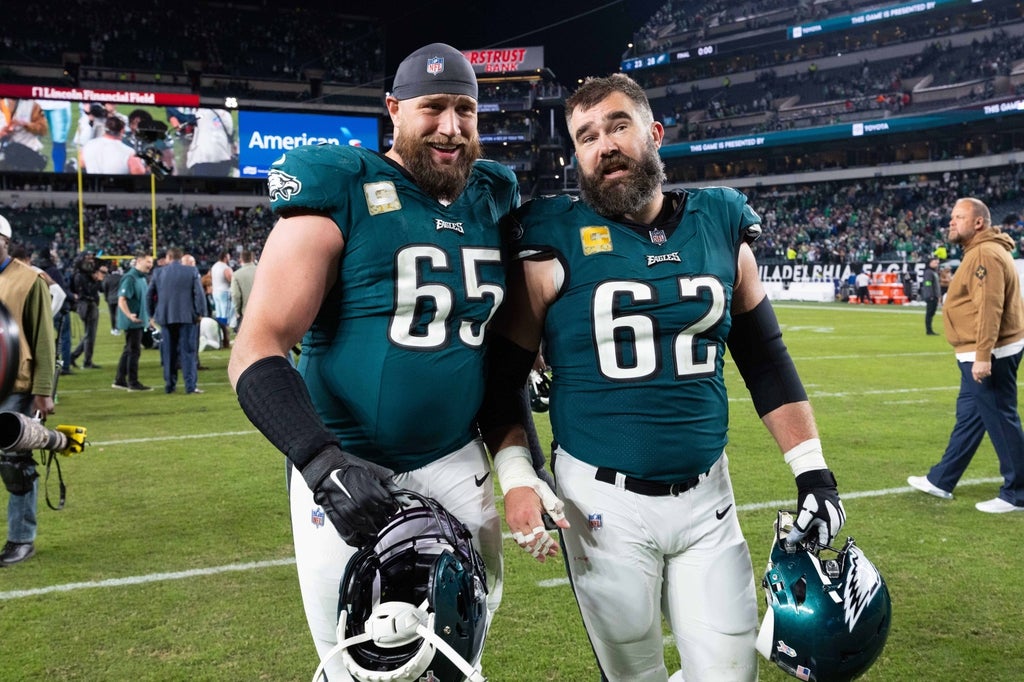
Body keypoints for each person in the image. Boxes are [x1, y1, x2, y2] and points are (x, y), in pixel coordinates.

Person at [477, 74, 845, 682]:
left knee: (729, 675)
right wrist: (518, 476)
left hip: (709, 500)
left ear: (654, 132)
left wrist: (813, 471)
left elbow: (766, 360)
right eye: (587, 136)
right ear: (577, 156)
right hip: (599, 506)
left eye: (618, 125)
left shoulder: (720, 222)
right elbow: (500, 379)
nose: (605, 145)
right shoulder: (552, 239)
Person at [227, 43, 554, 680]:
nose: (452, 127)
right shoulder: (342, 184)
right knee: (357, 659)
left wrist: (522, 464)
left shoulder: (493, 194)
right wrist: (322, 464)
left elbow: (502, 357)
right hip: (349, 465)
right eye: (433, 108)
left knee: (459, 653)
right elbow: (256, 346)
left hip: (459, 462)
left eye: (466, 109)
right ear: (393, 110)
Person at [908, 197, 1024, 513]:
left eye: (959, 217)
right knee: (971, 417)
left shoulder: (984, 252)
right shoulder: (981, 250)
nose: (951, 222)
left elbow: (990, 306)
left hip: (988, 352)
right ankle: (941, 479)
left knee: (1000, 417)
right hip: (982, 349)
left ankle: (1018, 493)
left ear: (978, 223)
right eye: (952, 217)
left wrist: (983, 355)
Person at [0, 214, 56, 566]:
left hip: (15, 386)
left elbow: (44, 339)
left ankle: (21, 537)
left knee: (15, 463)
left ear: (4, 239)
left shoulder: (28, 280)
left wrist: (43, 389)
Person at [146, 247, 206, 394]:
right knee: (188, 352)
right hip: (187, 317)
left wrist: (151, 314)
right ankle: (190, 386)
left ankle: (170, 386)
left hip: (166, 317)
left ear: (168, 257)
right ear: (180, 258)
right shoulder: (191, 271)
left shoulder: (158, 272)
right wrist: (200, 313)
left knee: (169, 353)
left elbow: (149, 294)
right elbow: (199, 293)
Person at [112, 253, 155, 392]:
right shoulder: (130, 278)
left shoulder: (142, 278)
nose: (150, 265)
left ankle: (119, 379)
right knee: (134, 351)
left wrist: (149, 319)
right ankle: (133, 382)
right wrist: (129, 315)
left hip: (140, 321)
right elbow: (121, 299)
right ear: (139, 261)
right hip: (133, 322)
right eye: (148, 262)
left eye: (151, 262)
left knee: (129, 350)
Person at [79, 116, 147, 175]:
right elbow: (138, 172)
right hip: (117, 189)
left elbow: (81, 164)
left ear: (105, 129)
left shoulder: (88, 145)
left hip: (93, 188)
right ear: (122, 131)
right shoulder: (128, 152)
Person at [70, 262, 105, 369]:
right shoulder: (82, 278)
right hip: (87, 306)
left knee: (89, 334)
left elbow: (101, 290)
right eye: (102, 272)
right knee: (90, 335)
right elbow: (89, 293)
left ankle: (77, 358)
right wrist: (97, 281)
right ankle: (83, 360)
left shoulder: (81, 276)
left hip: (88, 305)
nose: (103, 274)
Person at [0, 98, 48, 172]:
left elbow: (43, 129)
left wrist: (26, 125)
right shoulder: (2, 103)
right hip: (4, 156)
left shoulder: (32, 104)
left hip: (26, 156)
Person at [229, 249, 256, 330]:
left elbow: (235, 295)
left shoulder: (236, 275)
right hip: (263, 311)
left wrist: (238, 311)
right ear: (252, 258)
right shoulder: (262, 270)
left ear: (241, 260)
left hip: (246, 311)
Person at [209, 251, 234, 330]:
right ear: (225, 257)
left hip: (215, 291)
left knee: (218, 311)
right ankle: (225, 328)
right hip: (224, 291)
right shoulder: (225, 267)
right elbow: (231, 279)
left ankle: (219, 327)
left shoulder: (214, 266)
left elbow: (209, 276)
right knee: (225, 311)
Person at [921, 257, 941, 335]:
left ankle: (929, 330)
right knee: (929, 313)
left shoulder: (934, 272)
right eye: (934, 262)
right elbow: (928, 284)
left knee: (932, 313)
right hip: (931, 296)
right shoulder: (929, 272)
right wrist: (931, 295)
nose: (936, 264)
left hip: (934, 295)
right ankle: (929, 330)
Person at [103, 262, 122, 335]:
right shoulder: (121, 277)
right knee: (118, 314)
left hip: (110, 298)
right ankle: (118, 328)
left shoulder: (108, 278)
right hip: (119, 298)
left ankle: (114, 328)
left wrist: (106, 297)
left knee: (112, 314)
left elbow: (105, 288)